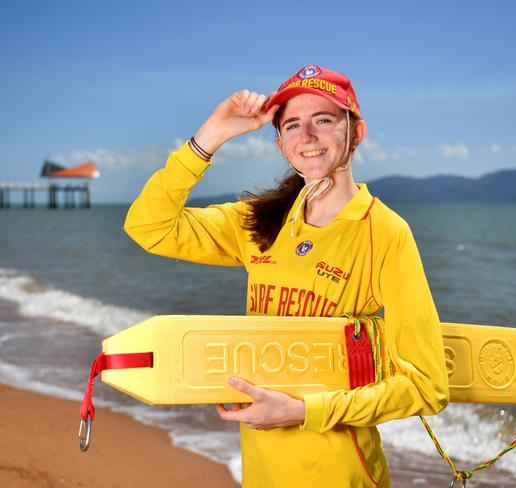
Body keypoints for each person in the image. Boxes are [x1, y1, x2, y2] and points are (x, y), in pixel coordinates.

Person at [124, 65, 449, 487]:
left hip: (340, 473)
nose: (307, 136)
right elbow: (149, 227)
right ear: (281, 144)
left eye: (324, 120)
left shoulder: (384, 232)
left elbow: (426, 387)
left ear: (357, 132)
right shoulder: (260, 222)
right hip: (261, 470)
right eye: (293, 125)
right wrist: (212, 134)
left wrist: (301, 412)